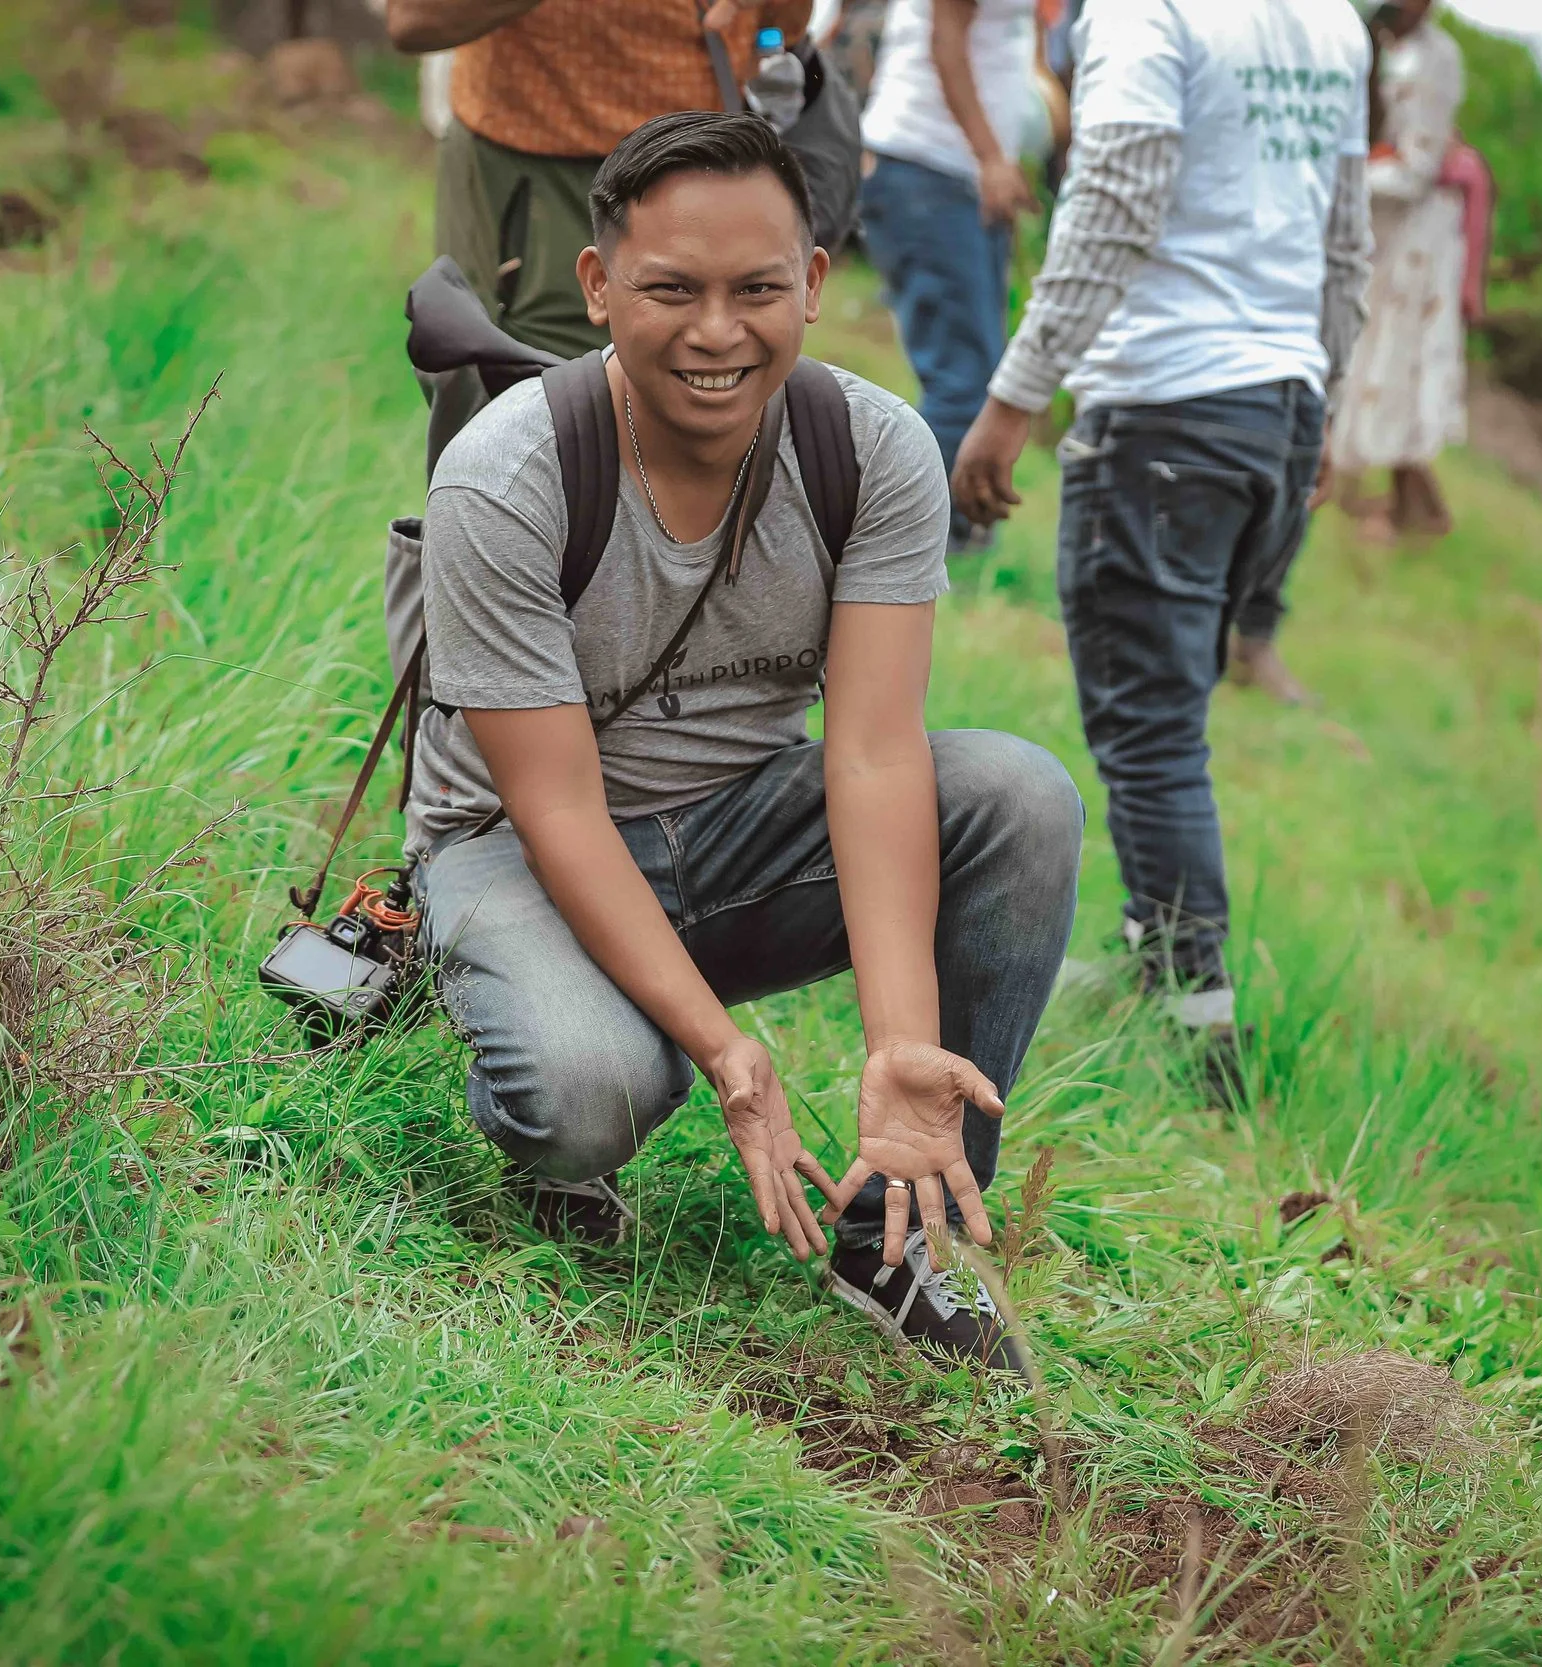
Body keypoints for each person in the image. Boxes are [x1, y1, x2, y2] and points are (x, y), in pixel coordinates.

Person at [411, 112, 1085, 1370]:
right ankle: (533, 1042)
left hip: (739, 837)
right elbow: (556, 809)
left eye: (756, 290)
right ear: (598, 286)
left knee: (1020, 795)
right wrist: (725, 1052)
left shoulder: (872, 451)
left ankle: (899, 1226)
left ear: (813, 283)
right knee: (585, 1093)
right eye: (671, 289)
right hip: (526, 850)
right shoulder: (504, 477)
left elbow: (871, 754)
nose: (717, 333)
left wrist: (899, 1045)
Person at [948, 0, 1371, 1086]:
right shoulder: (1330, 21)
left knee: (1151, 732)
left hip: (1168, 406)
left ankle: (1196, 1012)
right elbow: (1343, 240)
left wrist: (1013, 397)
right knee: (1169, 720)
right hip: (1275, 406)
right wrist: (1319, 401)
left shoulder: (1150, 12)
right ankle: (1157, 955)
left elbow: (1115, 203)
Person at [384, 0, 812, 469]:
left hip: (711, 175)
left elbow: (785, 24)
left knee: (703, 441)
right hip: (539, 172)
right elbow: (416, 19)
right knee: (532, 434)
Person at [857, 0, 1043, 553]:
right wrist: (991, 159)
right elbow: (946, 40)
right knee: (961, 379)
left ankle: (951, 544)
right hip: (929, 170)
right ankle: (927, 551)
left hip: (955, 177)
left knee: (978, 371)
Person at [1326, 0, 1467, 548]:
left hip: (1415, 239)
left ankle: (1414, 506)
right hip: (1379, 228)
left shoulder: (1437, 58)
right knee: (1372, 352)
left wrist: (1337, 171)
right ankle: (1400, 499)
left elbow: (1416, 170)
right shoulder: (1381, 40)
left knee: (1399, 356)